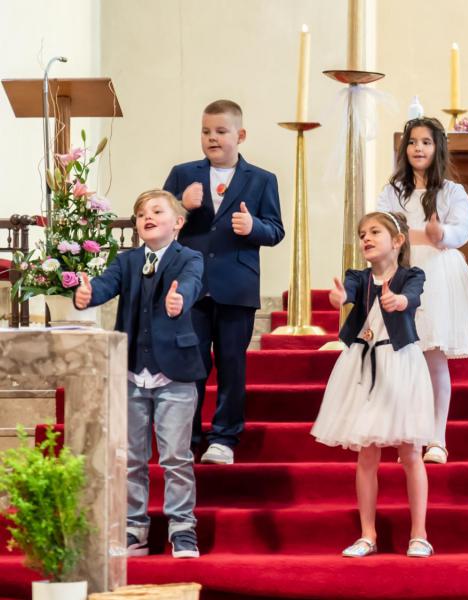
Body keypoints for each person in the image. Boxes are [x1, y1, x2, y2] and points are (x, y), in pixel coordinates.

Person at [75, 189, 205, 558]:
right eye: (141, 213)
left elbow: (192, 284)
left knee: (175, 457)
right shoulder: (128, 260)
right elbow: (104, 285)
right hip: (132, 371)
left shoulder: (188, 258)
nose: (147, 217)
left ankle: (182, 529)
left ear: (177, 222)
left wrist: (181, 301)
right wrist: (86, 294)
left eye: (157, 211)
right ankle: (135, 527)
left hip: (174, 375)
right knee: (131, 456)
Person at [163, 99, 285, 465]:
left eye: (220, 131)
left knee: (232, 363)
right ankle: (188, 435)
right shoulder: (183, 174)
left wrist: (254, 228)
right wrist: (181, 205)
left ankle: (225, 437)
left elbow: (276, 230)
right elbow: (158, 223)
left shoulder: (262, 179)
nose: (212, 138)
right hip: (191, 287)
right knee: (192, 362)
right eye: (205, 131)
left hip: (237, 287)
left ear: (240, 135)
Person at [311, 211, 436, 558]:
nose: (366, 238)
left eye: (375, 232)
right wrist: (340, 299)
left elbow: (413, 294)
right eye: (362, 233)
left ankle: (419, 534)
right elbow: (347, 292)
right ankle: (368, 534)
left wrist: (401, 301)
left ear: (397, 241)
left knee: (410, 451)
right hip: (365, 366)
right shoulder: (359, 277)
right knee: (367, 453)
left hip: (400, 364)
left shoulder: (412, 274)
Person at [375, 117, 468, 464]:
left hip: (438, 278)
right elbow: (383, 229)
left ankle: (437, 439)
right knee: (403, 361)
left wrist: (439, 235)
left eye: (426, 142)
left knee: (433, 359)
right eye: (412, 142)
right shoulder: (393, 191)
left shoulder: (452, 191)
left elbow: (461, 233)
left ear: (437, 147)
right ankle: (411, 438)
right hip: (401, 273)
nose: (418, 148)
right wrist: (424, 237)